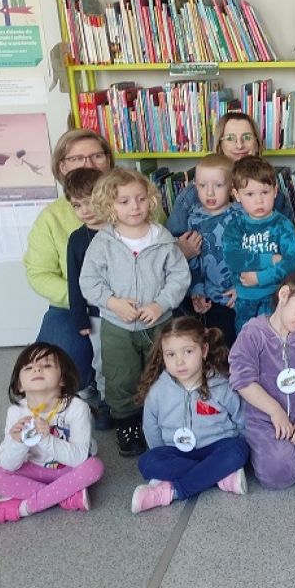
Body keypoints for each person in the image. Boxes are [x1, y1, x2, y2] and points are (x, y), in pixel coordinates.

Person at [79, 168, 190, 457]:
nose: (134, 207)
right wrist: (113, 303)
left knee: (163, 371)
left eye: (141, 199)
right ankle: (127, 424)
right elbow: (89, 281)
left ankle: (166, 418)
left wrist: (160, 304)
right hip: (118, 325)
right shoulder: (103, 242)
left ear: (150, 200)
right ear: (109, 205)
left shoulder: (162, 237)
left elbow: (179, 276)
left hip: (159, 322)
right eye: (124, 201)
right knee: (121, 375)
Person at [24, 128, 114, 399]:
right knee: (59, 363)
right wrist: (83, 298)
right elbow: (39, 274)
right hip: (73, 304)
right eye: (77, 158)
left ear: (108, 160)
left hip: (131, 300)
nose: (89, 164)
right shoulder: (51, 217)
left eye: (97, 156)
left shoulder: (132, 199)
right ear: (62, 167)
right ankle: (82, 394)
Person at [228, 270, 295, 490]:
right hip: (265, 419)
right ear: (284, 295)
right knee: (279, 474)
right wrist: (275, 411)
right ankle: (269, 449)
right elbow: (243, 381)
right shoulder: (252, 333)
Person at [130, 317, 250, 513]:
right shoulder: (158, 391)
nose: (179, 361)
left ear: (204, 350)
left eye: (188, 351)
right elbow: (151, 428)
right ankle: (218, 475)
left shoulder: (221, 385)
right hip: (177, 452)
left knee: (238, 451)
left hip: (217, 447)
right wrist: (162, 454)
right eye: (171, 354)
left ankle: (174, 491)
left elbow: (241, 419)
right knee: (147, 462)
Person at [0, 343, 104, 524]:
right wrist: (17, 441)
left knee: (94, 467)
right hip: (33, 470)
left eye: (47, 365)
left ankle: (23, 507)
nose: (37, 369)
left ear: (62, 379)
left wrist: (46, 439)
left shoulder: (77, 408)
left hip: (68, 470)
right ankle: (65, 495)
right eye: (29, 367)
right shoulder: (16, 411)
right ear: (20, 385)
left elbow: (79, 458)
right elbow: (7, 464)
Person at [167, 111, 295, 260]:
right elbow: (167, 249)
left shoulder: (270, 191)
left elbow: (289, 247)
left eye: (246, 137)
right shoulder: (193, 193)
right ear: (220, 145)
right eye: (230, 138)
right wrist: (180, 252)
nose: (239, 145)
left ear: (256, 143)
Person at [223, 156, 295, 333]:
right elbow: (233, 259)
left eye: (264, 192)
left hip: (278, 299)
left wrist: (260, 278)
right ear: (236, 195)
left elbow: (293, 263)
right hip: (245, 301)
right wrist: (270, 259)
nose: (258, 201)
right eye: (250, 194)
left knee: (276, 340)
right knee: (248, 341)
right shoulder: (235, 227)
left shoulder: (282, 225)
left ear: (275, 191)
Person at [63, 166, 111, 429]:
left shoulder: (121, 230)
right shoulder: (77, 240)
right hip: (96, 314)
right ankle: (106, 402)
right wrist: (79, 317)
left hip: (130, 310)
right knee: (102, 360)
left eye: (90, 201)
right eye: (77, 205)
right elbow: (75, 281)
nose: (85, 210)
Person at [185, 153, 239, 345]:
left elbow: (254, 255)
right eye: (202, 185)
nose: (209, 193)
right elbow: (194, 259)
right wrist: (197, 290)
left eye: (218, 185)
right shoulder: (194, 217)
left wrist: (244, 288)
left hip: (240, 296)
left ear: (232, 187)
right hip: (211, 300)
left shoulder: (241, 215)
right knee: (216, 348)